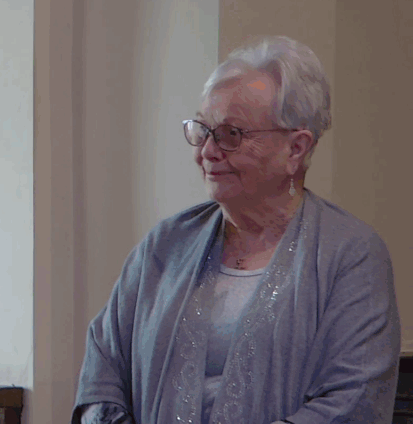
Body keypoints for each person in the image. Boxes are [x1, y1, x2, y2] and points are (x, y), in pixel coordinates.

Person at [73, 36, 401, 424]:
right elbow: (102, 372)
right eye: (202, 130)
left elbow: (353, 400)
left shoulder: (351, 255)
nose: (207, 151)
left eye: (231, 135)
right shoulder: (165, 245)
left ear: (295, 149)